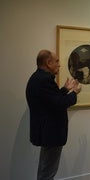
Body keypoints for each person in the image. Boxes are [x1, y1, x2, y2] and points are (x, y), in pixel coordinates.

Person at [26, 49, 82, 180]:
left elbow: (50, 101)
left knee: (45, 169)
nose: (59, 64)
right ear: (48, 62)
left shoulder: (37, 78)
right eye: (56, 61)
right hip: (51, 132)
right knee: (47, 172)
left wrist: (64, 89)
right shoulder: (45, 80)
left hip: (46, 131)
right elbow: (59, 104)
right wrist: (74, 92)